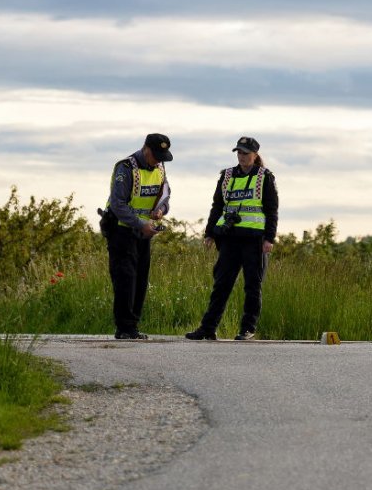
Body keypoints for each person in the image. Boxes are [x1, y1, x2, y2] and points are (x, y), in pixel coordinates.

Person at [186, 136, 278, 341]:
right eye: (239, 152)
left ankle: (247, 329)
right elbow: (217, 206)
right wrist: (209, 233)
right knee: (221, 284)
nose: (241, 156)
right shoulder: (227, 175)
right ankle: (208, 328)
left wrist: (269, 238)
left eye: (245, 153)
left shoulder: (264, 177)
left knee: (252, 286)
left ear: (255, 155)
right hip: (229, 238)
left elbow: (272, 210)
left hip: (254, 239)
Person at [104, 133, 173, 340]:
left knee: (140, 280)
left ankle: (132, 327)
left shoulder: (159, 168)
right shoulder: (126, 168)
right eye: (156, 155)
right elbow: (118, 205)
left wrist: (161, 210)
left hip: (144, 233)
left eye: (163, 156)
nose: (159, 161)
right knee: (126, 279)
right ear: (146, 149)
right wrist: (142, 224)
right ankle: (124, 328)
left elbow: (165, 195)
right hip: (121, 231)